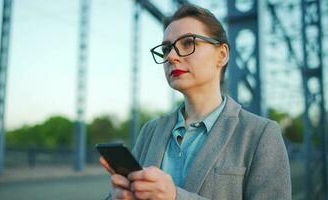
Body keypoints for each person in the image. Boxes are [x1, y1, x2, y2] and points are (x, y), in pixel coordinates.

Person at [100, 4, 291, 200]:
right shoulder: (150, 131)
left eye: (188, 43)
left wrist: (175, 197)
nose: (172, 57)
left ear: (222, 55)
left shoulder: (261, 134)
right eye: (166, 49)